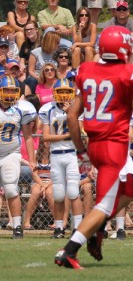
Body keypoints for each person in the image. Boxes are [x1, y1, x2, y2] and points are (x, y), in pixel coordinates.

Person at [55, 26, 133, 269]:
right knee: (105, 205)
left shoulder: (87, 70)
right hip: (114, 147)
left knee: (129, 189)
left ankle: (95, 230)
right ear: (126, 48)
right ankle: (69, 249)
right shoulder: (130, 74)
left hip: (95, 145)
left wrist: (80, 151)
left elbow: (71, 117)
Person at [39, 78, 83, 238]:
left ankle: (77, 228)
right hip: (56, 155)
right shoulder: (47, 109)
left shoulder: (76, 108)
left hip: (72, 154)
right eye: (61, 91)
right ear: (55, 93)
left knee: (73, 192)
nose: (64, 95)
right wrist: (65, 135)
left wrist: (69, 113)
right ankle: (59, 228)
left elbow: (80, 133)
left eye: (67, 91)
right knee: (58, 193)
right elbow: (45, 137)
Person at [0, 75, 37, 238]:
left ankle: (17, 227)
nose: (9, 93)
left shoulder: (22, 108)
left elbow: (28, 136)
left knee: (10, 188)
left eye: (13, 90)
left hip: (10, 153)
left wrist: (32, 159)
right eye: (6, 90)